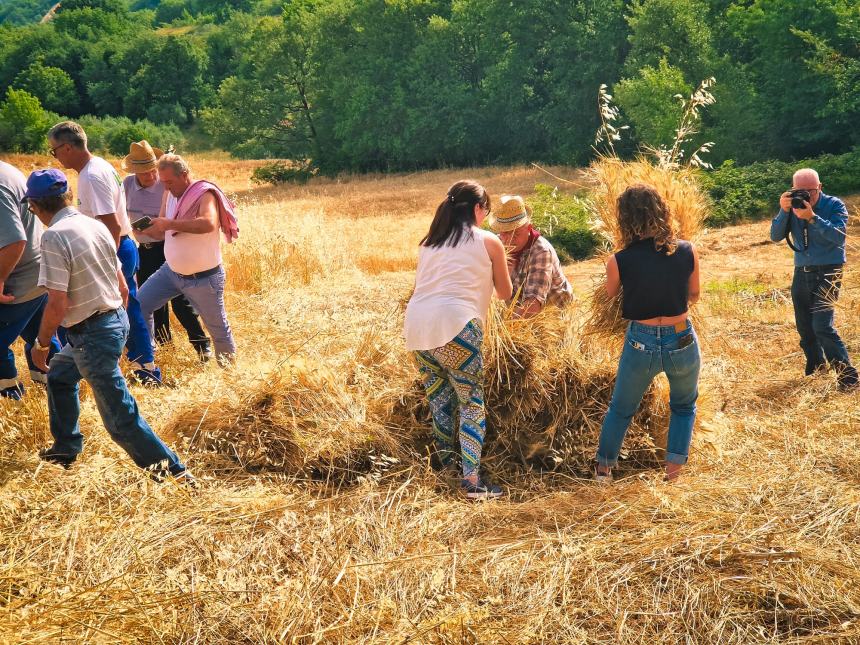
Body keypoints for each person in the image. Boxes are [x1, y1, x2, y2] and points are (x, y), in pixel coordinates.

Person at [24, 169, 190, 481]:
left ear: (36, 205)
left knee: (120, 417)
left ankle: (174, 475)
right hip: (114, 319)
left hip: (92, 335)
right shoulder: (95, 225)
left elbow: (58, 303)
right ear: (68, 196)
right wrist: (114, 323)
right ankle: (66, 447)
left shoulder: (54, 236)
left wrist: (41, 344)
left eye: (31, 207)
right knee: (60, 375)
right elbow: (124, 287)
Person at [404, 180, 513, 500]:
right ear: (478, 209)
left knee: (439, 400)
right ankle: (471, 482)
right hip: (457, 328)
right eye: (486, 211)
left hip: (417, 329)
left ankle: (446, 469)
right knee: (471, 402)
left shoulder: (429, 242)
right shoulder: (488, 241)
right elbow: (505, 293)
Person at [594, 184, 701, 484]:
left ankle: (603, 471)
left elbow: (610, 294)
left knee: (621, 408)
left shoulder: (619, 260)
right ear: (662, 212)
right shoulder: (687, 250)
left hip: (641, 339)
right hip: (681, 337)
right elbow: (694, 294)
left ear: (625, 219)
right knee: (683, 406)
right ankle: (674, 476)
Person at [47, 121, 162, 385]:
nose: (55, 156)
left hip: (112, 247)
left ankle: (145, 369)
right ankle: (141, 366)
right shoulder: (97, 166)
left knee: (123, 307)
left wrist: (109, 264)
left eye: (54, 151)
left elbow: (109, 224)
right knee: (125, 306)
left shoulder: (92, 176)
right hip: (117, 246)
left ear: (66, 148)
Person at [137, 154, 238, 365]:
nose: (165, 187)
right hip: (171, 272)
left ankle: (230, 378)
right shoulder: (169, 193)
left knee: (217, 330)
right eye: (163, 182)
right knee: (140, 304)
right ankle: (148, 362)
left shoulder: (204, 195)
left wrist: (169, 224)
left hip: (203, 278)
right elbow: (163, 230)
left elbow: (208, 224)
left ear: (184, 175)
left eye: (169, 182)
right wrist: (146, 229)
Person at [121, 141, 212, 361]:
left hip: (168, 247)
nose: (150, 176)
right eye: (144, 173)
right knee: (152, 303)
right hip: (143, 249)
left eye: (152, 171)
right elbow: (120, 214)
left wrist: (164, 226)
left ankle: (202, 346)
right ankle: (165, 347)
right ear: (135, 172)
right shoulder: (127, 185)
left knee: (181, 300)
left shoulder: (166, 184)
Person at [770, 168, 858, 390]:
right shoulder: (792, 206)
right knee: (805, 327)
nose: (805, 196)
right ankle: (817, 369)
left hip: (829, 270)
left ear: (820, 187)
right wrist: (783, 210)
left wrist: (813, 218)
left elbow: (839, 237)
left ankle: (848, 378)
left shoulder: (834, 205)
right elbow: (775, 236)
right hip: (802, 271)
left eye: (809, 191)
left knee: (822, 325)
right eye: (799, 191)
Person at [0, 161, 61, 398]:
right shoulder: (8, 169)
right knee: (39, 337)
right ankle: (59, 385)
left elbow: (15, 241)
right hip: (35, 272)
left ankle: (11, 398)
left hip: (19, 278)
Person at [488, 194, 573, 317]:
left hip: (551, 317)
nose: (509, 240)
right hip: (516, 314)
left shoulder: (540, 251)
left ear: (529, 228)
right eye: (505, 233)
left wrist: (502, 329)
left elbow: (532, 307)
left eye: (516, 233)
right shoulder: (496, 245)